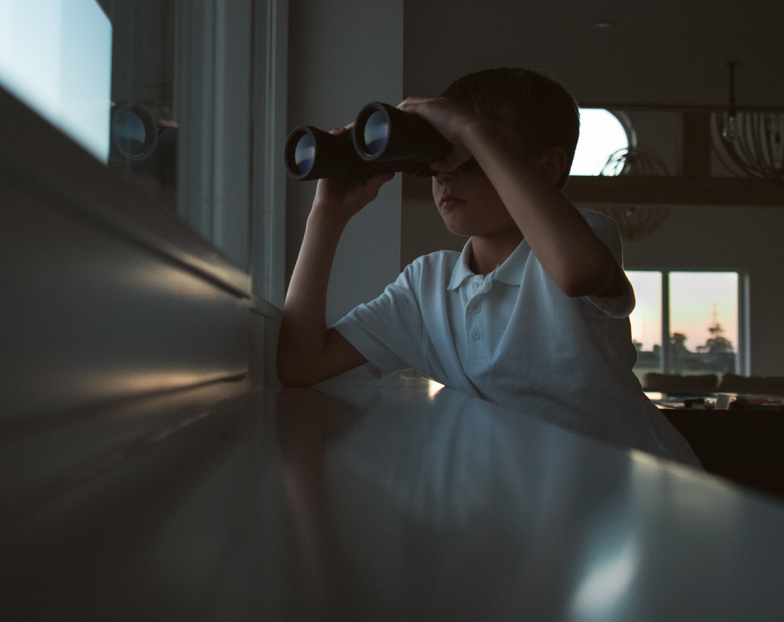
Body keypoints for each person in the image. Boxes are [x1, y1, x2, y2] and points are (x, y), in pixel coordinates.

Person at [276, 68, 699, 465]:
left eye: (473, 156)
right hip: (538, 513)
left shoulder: (583, 235)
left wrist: (469, 130)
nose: (445, 175)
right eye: (438, 158)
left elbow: (578, 273)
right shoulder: (427, 288)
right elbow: (301, 363)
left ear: (547, 168)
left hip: (640, 493)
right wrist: (327, 215)